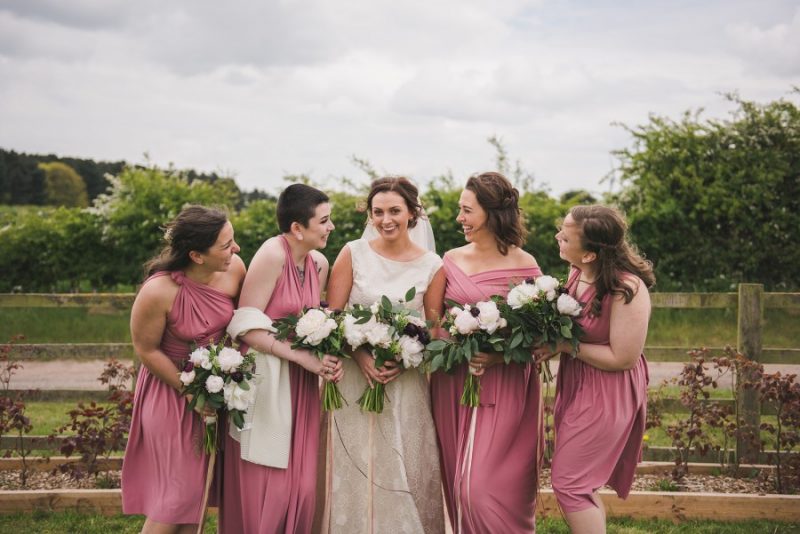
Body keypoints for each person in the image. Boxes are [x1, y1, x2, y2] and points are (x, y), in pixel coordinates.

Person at [322, 176, 445, 533]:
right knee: (356, 462)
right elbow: (334, 315)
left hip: (404, 381)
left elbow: (434, 328)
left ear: (412, 213)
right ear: (369, 215)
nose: (386, 219)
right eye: (378, 212)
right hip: (354, 380)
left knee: (401, 461)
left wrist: (404, 355)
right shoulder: (352, 253)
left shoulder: (432, 264)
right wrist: (360, 355)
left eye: (395, 211)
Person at [219, 183, 342, 534]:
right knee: (270, 482)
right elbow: (244, 325)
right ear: (297, 228)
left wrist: (326, 352)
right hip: (266, 381)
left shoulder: (319, 262)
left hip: (302, 383)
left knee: (303, 488)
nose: (331, 227)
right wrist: (302, 358)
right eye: (324, 220)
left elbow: (314, 319)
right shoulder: (272, 255)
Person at [428, 172, 544, 533]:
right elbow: (434, 324)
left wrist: (497, 355)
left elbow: (539, 336)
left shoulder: (527, 265)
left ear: (493, 214)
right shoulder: (448, 260)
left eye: (467, 211)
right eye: (460, 210)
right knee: (458, 486)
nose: (459, 218)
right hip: (453, 383)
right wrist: (455, 345)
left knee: (480, 488)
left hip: (507, 384)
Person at [122, 205, 245, 534]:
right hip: (170, 393)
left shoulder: (235, 271)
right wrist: (190, 391)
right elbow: (146, 349)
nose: (235, 249)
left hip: (214, 389)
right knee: (176, 498)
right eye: (225, 245)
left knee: (197, 497)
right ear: (197, 255)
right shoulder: (158, 291)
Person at [535, 205, 654, 534]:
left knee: (571, 484)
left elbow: (624, 358)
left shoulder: (627, 289)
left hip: (607, 392)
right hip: (577, 386)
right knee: (580, 484)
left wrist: (563, 346)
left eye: (566, 234)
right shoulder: (577, 274)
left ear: (590, 254)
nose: (557, 236)